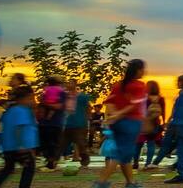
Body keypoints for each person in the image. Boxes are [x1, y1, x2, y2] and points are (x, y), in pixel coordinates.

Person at [93, 59, 147, 188]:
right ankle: (101, 181)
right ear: (138, 70)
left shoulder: (118, 85)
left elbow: (109, 102)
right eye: (142, 69)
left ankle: (131, 182)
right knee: (121, 153)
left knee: (125, 153)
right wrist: (120, 114)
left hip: (117, 123)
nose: (144, 71)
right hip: (131, 122)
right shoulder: (139, 85)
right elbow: (135, 104)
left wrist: (114, 116)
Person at [0, 86, 37, 188]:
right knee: (30, 167)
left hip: (9, 147)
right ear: (23, 99)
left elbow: (4, 125)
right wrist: (21, 145)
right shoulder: (21, 110)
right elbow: (19, 128)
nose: (32, 101)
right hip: (18, 147)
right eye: (31, 98)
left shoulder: (9, 111)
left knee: (8, 169)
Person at [62, 81, 94, 169]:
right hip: (67, 123)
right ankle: (52, 162)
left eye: (70, 83)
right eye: (67, 83)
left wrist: (88, 120)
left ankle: (84, 161)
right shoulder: (64, 97)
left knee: (81, 143)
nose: (68, 85)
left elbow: (88, 108)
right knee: (62, 143)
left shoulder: (82, 97)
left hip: (79, 123)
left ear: (75, 85)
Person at [34, 78, 62, 173]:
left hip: (51, 123)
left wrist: (44, 103)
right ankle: (50, 161)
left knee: (50, 143)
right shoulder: (56, 91)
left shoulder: (50, 91)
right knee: (48, 143)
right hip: (47, 122)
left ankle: (51, 162)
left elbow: (57, 105)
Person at [137, 81, 165, 170]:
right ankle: (148, 163)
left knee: (138, 144)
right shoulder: (161, 98)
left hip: (143, 122)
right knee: (151, 144)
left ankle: (135, 162)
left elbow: (139, 110)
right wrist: (163, 122)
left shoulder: (144, 98)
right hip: (155, 122)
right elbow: (163, 112)